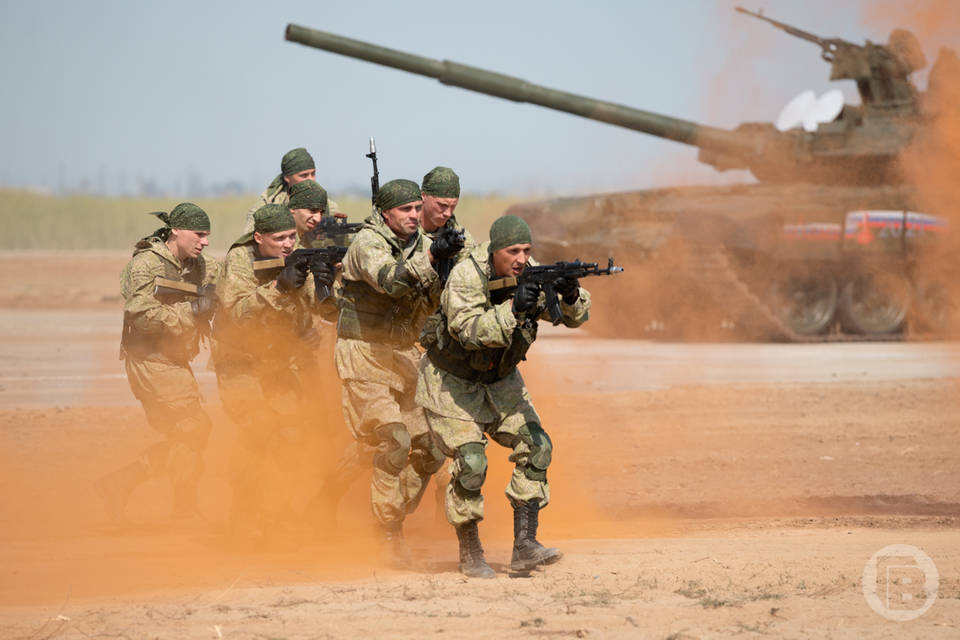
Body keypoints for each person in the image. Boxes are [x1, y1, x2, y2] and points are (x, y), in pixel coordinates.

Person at [417, 215, 591, 578]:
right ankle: (470, 551)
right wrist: (512, 308)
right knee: (471, 462)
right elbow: (469, 331)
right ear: (495, 250)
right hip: (453, 381)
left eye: (527, 250)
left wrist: (571, 296)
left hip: (500, 379)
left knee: (537, 445)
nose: (521, 258)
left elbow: (574, 317)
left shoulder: (530, 272)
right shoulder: (466, 275)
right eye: (513, 251)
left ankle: (525, 545)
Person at [333, 178, 462, 565]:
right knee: (395, 441)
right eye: (404, 210)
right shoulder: (366, 244)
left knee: (431, 449)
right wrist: (433, 258)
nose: (413, 215)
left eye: (414, 210)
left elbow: (440, 296)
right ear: (385, 212)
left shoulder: (421, 244)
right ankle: (388, 535)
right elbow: (390, 280)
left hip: (403, 354)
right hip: (364, 355)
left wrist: (453, 266)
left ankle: (388, 516)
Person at [213, 203, 335, 539]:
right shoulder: (240, 261)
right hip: (238, 362)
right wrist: (279, 288)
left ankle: (274, 513)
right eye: (279, 238)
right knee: (259, 430)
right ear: (258, 237)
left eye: (291, 237)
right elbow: (237, 314)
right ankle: (242, 516)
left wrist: (329, 284)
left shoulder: (296, 256)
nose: (287, 244)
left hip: (277, 360)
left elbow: (318, 305)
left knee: (293, 435)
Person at [98, 203, 218, 524]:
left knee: (188, 433)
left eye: (208, 235)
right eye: (199, 234)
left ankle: (122, 484)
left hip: (173, 358)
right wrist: (192, 311)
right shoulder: (146, 265)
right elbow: (140, 313)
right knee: (193, 427)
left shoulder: (196, 263)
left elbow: (228, 275)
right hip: (149, 357)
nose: (205, 242)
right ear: (176, 231)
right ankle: (183, 509)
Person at [243, 147, 318, 234]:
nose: (310, 180)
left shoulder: (325, 205)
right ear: (287, 177)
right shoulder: (263, 210)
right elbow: (248, 244)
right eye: (304, 175)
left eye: (313, 174)